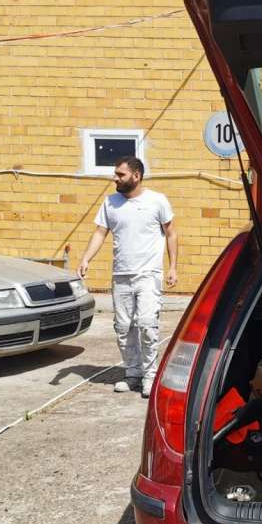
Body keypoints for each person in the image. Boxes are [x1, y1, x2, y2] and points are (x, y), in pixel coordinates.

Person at [78, 156, 178, 398]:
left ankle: (150, 376)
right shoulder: (110, 203)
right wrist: (86, 258)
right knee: (123, 327)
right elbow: (100, 233)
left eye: (120, 174)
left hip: (148, 274)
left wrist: (173, 267)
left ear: (136, 175)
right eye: (115, 173)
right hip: (121, 275)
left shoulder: (157, 201)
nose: (115, 178)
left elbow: (171, 234)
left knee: (147, 325)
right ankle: (132, 373)